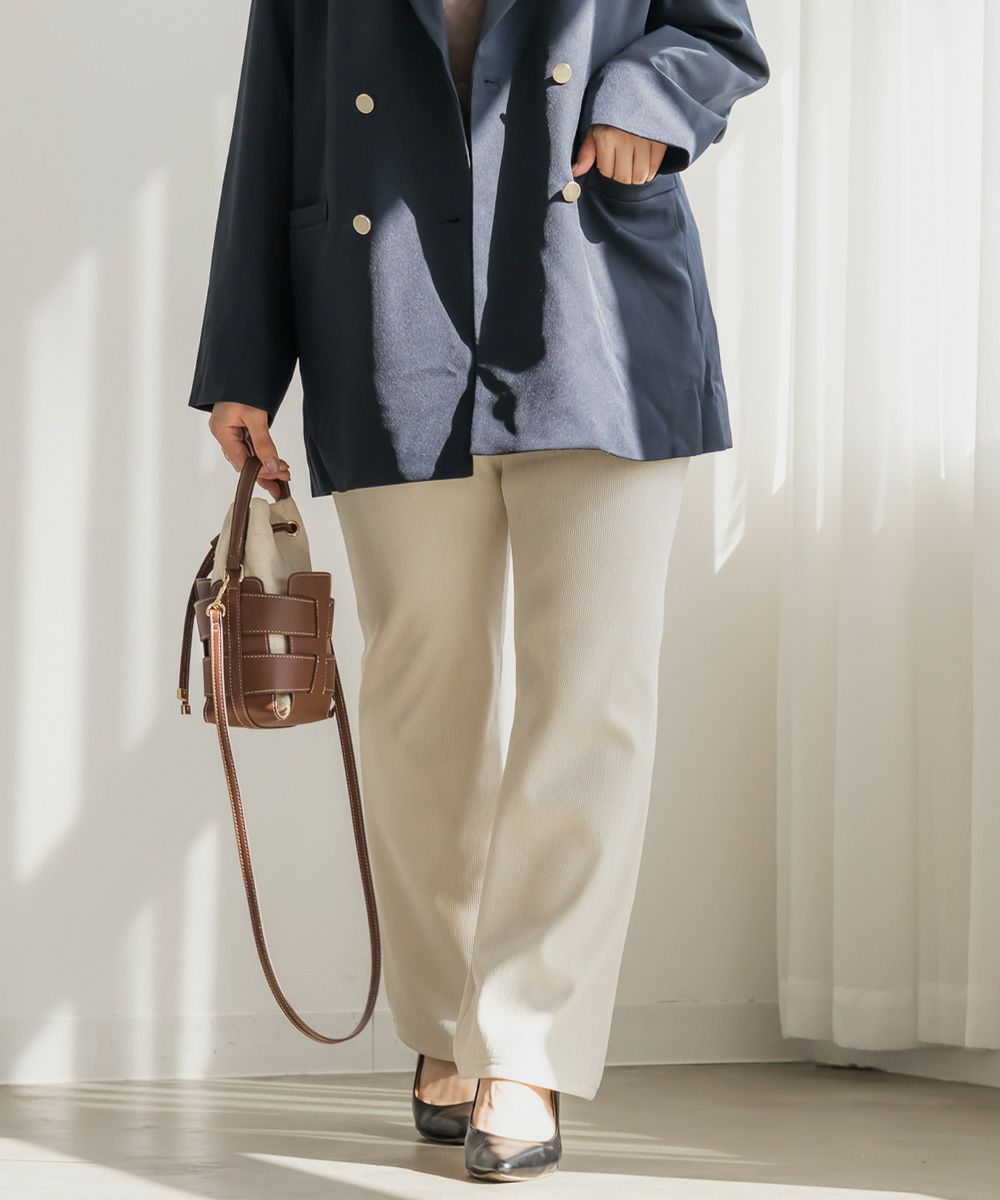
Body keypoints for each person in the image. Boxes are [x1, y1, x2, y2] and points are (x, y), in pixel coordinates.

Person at [189, 0, 769, 1183]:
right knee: (422, 698)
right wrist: (243, 361)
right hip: (386, 310)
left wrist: (643, 102)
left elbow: (716, 34)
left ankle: (525, 1046)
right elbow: (274, 109)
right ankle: (451, 1020)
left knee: (591, 702)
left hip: (594, 304)